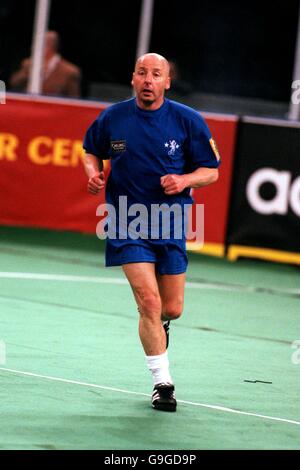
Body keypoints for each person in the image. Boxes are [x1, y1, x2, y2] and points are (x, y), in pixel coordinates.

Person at [83, 53, 220, 412]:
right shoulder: (114, 117)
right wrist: (93, 172)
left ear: (166, 82)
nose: (148, 79)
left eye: (156, 74)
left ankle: (159, 325)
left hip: (170, 222)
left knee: (171, 309)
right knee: (149, 301)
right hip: (127, 219)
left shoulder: (187, 121)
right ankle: (163, 383)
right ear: (133, 78)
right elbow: (89, 151)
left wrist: (185, 179)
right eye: (142, 73)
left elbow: (212, 171)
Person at [9, 31, 81, 98]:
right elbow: (14, 83)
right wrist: (28, 72)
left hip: (53, 110)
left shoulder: (69, 71)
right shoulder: (28, 63)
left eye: (36, 45)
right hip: (27, 108)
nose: (32, 47)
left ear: (49, 46)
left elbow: (74, 99)